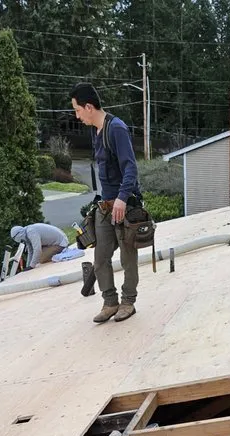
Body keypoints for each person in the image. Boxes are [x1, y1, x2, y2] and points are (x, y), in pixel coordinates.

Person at [70, 82, 141, 324]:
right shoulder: (95, 131)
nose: (77, 116)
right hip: (105, 205)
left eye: (77, 110)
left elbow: (130, 167)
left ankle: (128, 302)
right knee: (100, 257)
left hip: (124, 203)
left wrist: (122, 199)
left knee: (127, 256)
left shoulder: (116, 128)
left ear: (89, 107)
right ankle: (110, 302)